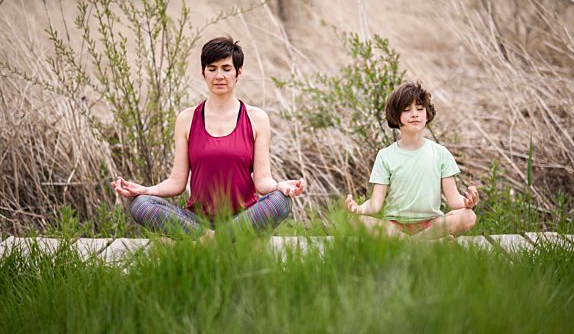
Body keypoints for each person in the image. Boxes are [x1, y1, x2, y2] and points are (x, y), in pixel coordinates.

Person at [112, 36, 305, 239]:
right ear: (203, 73)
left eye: (226, 69)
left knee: (281, 201)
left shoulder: (256, 119)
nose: (219, 76)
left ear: (239, 73)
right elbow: (177, 183)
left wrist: (279, 186)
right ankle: (215, 239)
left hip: (243, 218)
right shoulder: (187, 119)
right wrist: (146, 189)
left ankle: (211, 240)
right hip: (196, 222)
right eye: (212, 69)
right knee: (140, 204)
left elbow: (263, 181)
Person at [345, 81, 478, 239]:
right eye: (407, 110)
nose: (415, 114)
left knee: (468, 216)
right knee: (354, 222)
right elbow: (375, 203)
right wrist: (358, 209)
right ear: (396, 116)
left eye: (420, 109)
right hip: (394, 228)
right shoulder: (385, 155)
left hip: (432, 225)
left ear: (427, 114)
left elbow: (453, 198)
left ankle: (411, 244)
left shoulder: (441, 153)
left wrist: (467, 202)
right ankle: (423, 245)